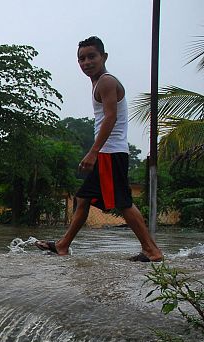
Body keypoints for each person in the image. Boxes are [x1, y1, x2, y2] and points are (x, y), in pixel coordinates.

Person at [37, 36, 162, 262]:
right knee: (83, 198)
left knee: (123, 203)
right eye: (82, 58)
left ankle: (151, 251)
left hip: (110, 153)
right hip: (108, 152)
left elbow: (110, 118)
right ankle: (63, 245)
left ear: (104, 57)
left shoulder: (106, 82)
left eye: (91, 56)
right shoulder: (97, 82)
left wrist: (94, 152)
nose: (86, 62)